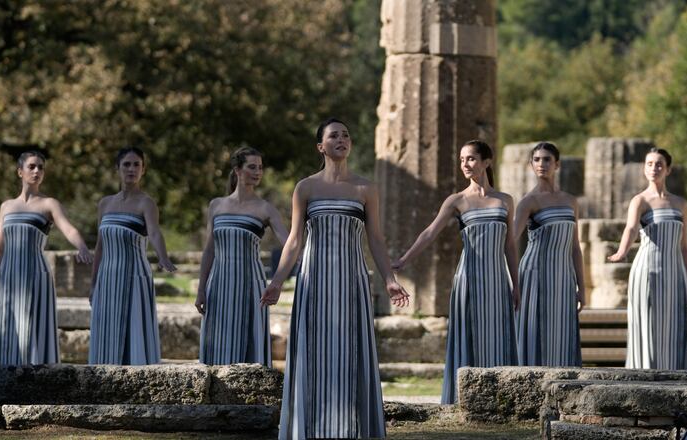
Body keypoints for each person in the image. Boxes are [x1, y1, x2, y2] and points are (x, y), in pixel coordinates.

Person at [260, 118, 409, 440]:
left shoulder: (365, 188)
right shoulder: (306, 187)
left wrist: (389, 279)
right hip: (314, 282)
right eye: (333, 136)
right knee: (313, 353)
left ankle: (350, 430)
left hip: (352, 281)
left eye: (346, 135)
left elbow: (377, 240)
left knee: (350, 352)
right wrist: (277, 281)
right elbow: (295, 241)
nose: (341, 139)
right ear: (321, 146)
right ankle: (311, 429)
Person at [392, 140, 519, 404]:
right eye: (462, 160)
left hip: (497, 279)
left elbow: (510, 246)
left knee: (499, 334)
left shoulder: (506, 201)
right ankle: (464, 400)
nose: (465, 164)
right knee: (470, 336)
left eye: (471, 159)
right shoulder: (457, 200)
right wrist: (404, 260)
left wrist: (516, 285)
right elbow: (429, 233)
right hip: (469, 278)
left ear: (486, 162)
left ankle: (501, 399)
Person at [0, 151, 93, 365]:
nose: (37, 171)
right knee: (9, 329)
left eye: (41, 167)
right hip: (8, 278)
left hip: (36, 275)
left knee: (33, 327)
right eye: (32, 167)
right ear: (20, 172)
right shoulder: (6, 207)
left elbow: (69, 229)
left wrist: (82, 246)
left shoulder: (49, 204)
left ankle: (38, 379)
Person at [195, 147, 288, 366]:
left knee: (248, 345)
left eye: (260, 168)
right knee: (217, 342)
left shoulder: (265, 209)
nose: (257, 172)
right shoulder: (216, 205)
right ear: (237, 170)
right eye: (252, 167)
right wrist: (201, 289)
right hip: (218, 285)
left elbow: (289, 245)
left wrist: (278, 282)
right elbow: (209, 250)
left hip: (251, 286)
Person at [608, 147, 687, 371]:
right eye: (649, 164)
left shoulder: (680, 204)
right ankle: (645, 374)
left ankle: (676, 377)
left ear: (668, 170)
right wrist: (622, 251)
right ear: (644, 168)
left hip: (675, 273)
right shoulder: (640, 201)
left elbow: (684, 246)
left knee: (674, 328)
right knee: (649, 326)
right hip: (647, 270)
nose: (653, 168)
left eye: (658, 164)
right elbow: (631, 228)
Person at [88, 146, 176, 365]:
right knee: (107, 330)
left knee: (134, 329)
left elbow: (154, 232)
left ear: (143, 170)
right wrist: (93, 284)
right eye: (126, 164)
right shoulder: (105, 204)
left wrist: (163, 257)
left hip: (135, 276)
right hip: (108, 278)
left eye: (137, 164)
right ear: (117, 168)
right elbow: (100, 246)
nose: (131, 169)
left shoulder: (146, 203)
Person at [514, 142, 584, 367]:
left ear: (557, 165)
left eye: (546, 160)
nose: (541, 164)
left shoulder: (570, 201)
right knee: (536, 331)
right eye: (536, 160)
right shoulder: (528, 202)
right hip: (535, 274)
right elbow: (510, 241)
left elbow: (575, 247)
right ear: (531, 165)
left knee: (562, 332)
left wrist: (581, 288)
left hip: (563, 277)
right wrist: (512, 280)